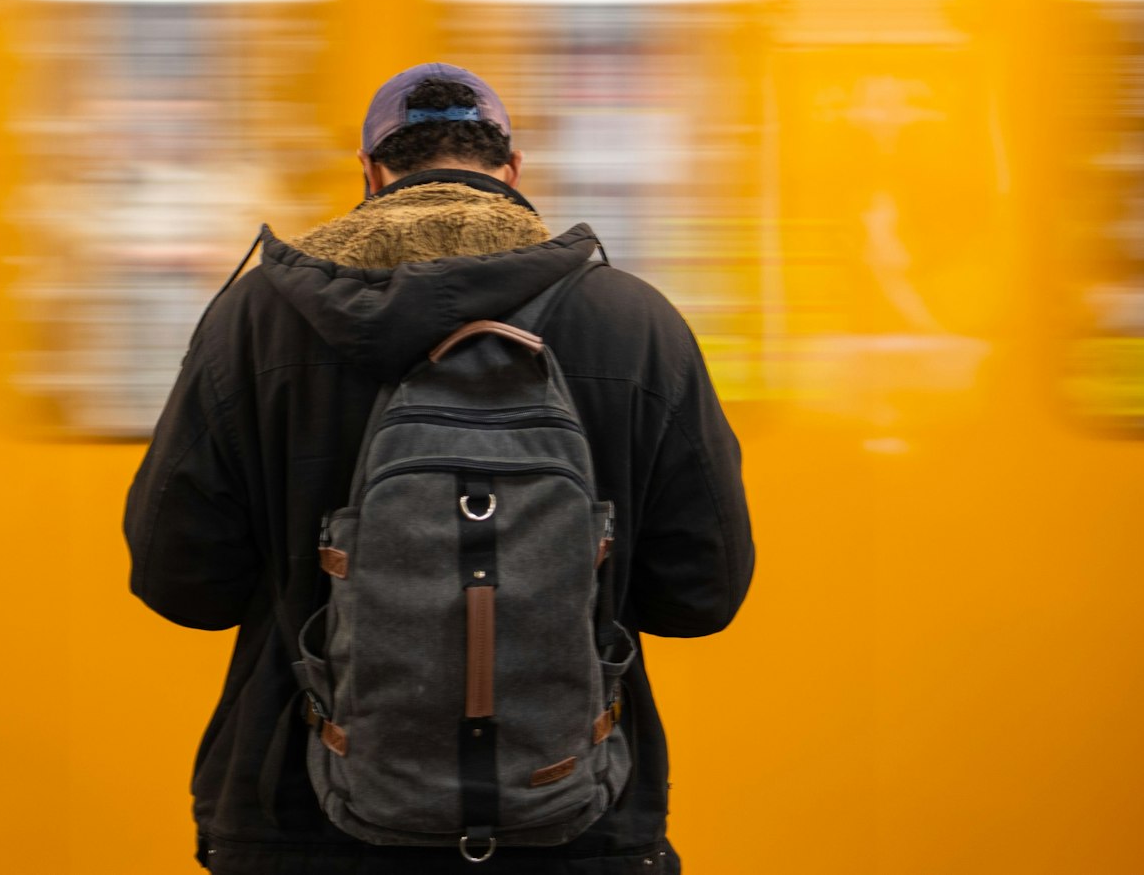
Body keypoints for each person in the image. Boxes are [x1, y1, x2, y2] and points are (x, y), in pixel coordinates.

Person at [124, 63, 756, 874]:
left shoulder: (256, 321)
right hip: (573, 820)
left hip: (302, 818)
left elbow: (182, 583)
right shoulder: (634, 323)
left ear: (371, 174)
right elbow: (701, 594)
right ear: (513, 171)